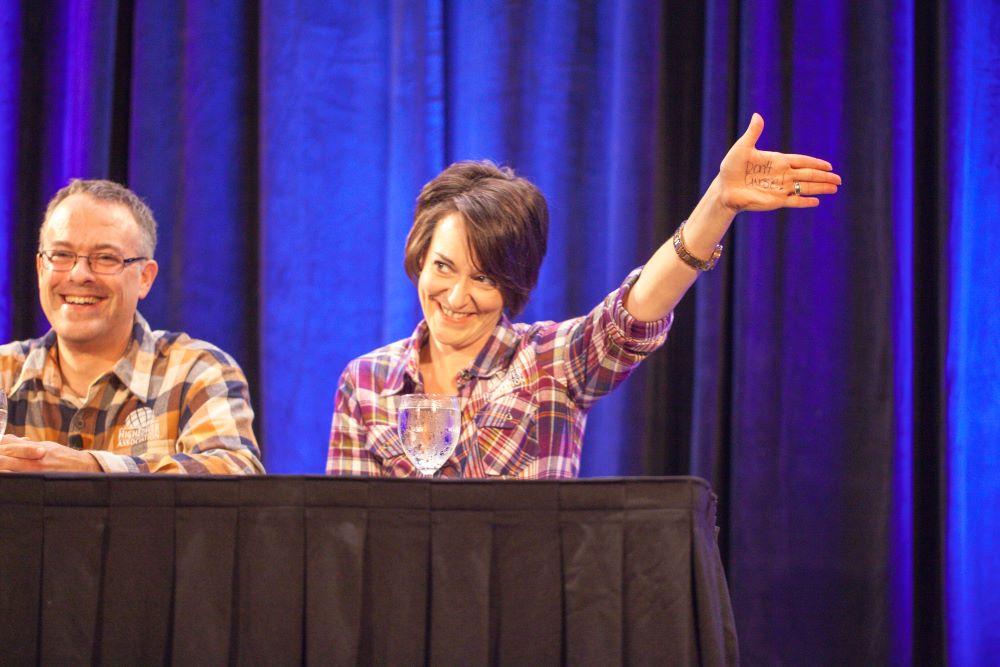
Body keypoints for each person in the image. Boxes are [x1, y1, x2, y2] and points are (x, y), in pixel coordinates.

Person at [327, 113, 840, 478]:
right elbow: (347, 545)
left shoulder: (551, 364)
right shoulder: (366, 383)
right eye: (443, 267)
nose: (456, 295)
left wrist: (718, 206)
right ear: (419, 257)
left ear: (514, 282)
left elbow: (634, 312)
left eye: (484, 278)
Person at [0, 179, 264, 474]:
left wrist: (93, 468)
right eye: (62, 255)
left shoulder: (196, 371)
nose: (79, 274)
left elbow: (234, 475)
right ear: (40, 269)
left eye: (105, 258)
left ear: (145, 278)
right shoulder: (3, 372)